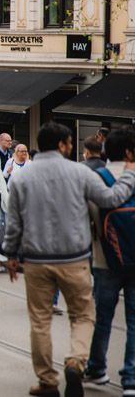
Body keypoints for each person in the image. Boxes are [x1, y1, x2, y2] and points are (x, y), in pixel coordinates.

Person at [4, 122, 135, 397]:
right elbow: (111, 198)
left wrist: (12, 255)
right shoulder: (79, 172)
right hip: (75, 258)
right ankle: (76, 361)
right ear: (63, 144)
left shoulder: (21, 179)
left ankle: (47, 380)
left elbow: (14, 223)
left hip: (36, 260)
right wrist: (129, 175)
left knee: (40, 320)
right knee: (83, 315)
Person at [85, 127, 135, 393]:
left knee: (102, 317)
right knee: (134, 321)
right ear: (129, 151)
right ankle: (131, 378)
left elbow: (88, 222)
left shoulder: (97, 178)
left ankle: (96, 368)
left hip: (104, 260)